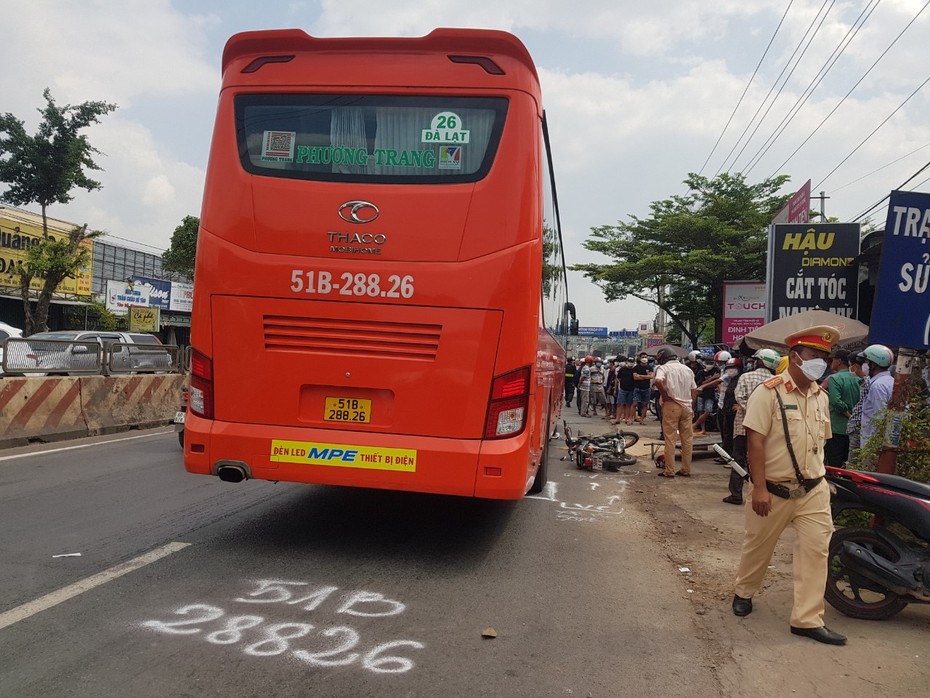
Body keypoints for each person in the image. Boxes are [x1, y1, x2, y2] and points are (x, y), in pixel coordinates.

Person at [732, 324, 846, 646]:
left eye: (825, 356)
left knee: (815, 551)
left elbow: (817, 445)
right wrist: (759, 488)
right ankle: (744, 591)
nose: (821, 362)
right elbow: (755, 441)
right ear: (795, 357)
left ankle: (807, 619)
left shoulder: (820, 396)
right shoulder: (768, 393)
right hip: (773, 490)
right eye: (814, 355)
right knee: (758, 547)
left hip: (813, 491)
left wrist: (823, 482)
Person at [724, 348, 780, 505]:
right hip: (766, 429)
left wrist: (751, 410)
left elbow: (739, 396)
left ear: (760, 361)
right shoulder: (776, 380)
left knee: (738, 460)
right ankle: (764, 493)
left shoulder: (746, 377)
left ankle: (736, 494)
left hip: (743, 425)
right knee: (763, 461)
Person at [653, 347, 697, 478]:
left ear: (663, 358)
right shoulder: (687, 369)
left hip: (671, 405)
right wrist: (691, 404)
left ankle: (669, 470)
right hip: (687, 406)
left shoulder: (664, 368)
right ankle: (686, 469)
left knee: (670, 439)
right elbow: (694, 389)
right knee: (687, 440)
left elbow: (658, 381)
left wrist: (664, 395)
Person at [821, 349, 860, 468]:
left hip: (836, 427)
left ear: (838, 361)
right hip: (853, 428)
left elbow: (836, 402)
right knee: (847, 461)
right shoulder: (858, 378)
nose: (830, 362)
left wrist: (848, 415)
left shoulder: (834, 379)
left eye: (832, 360)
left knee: (833, 462)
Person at [859, 344, 896, 447]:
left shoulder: (877, 386)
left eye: (866, 362)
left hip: (873, 444)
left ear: (874, 364)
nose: (864, 365)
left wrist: (875, 445)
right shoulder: (891, 381)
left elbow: (880, 418)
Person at [694, 350, 728, 434]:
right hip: (701, 395)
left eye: (711, 363)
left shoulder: (717, 370)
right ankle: (702, 429)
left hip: (710, 395)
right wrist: (712, 378)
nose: (710, 364)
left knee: (707, 411)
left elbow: (718, 382)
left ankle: (695, 425)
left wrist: (711, 384)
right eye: (708, 362)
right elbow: (702, 383)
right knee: (701, 411)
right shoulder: (701, 372)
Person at [845, 354, 870, 462]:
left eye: (850, 366)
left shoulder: (867, 381)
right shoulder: (864, 381)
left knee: (853, 461)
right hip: (861, 426)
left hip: (858, 426)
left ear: (855, 366)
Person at [632, 354, 654, 424]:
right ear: (640, 358)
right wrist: (646, 376)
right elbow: (635, 377)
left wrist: (640, 376)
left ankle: (642, 419)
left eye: (645, 357)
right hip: (637, 388)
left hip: (646, 388)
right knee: (634, 404)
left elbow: (651, 376)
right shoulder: (636, 367)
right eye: (642, 357)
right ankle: (633, 418)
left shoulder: (650, 367)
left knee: (645, 404)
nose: (644, 358)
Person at [615, 357, 636, 425]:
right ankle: (618, 418)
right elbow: (618, 378)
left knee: (628, 405)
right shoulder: (622, 369)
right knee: (620, 404)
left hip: (631, 389)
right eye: (629, 361)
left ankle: (626, 419)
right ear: (627, 362)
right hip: (622, 389)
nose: (630, 363)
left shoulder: (635, 370)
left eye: (632, 361)